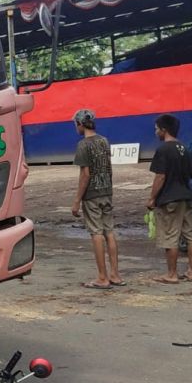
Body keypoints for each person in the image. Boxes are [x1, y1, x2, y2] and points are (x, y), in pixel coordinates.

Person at [70, 109, 122, 289]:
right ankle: (115, 274)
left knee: (96, 233)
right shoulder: (104, 141)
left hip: (92, 194)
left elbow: (85, 174)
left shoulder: (83, 145)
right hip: (106, 191)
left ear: (80, 124)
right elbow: (108, 167)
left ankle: (102, 277)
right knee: (109, 231)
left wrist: (77, 199)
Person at [148, 114, 192, 284]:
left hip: (169, 200)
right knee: (190, 235)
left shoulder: (163, 150)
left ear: (164, 130)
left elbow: (160, 177)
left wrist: (152, 198)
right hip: (186, 196)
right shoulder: (184, 148)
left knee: (170, 237)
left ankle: (171, 274)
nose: (155, 132)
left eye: (157, 129)